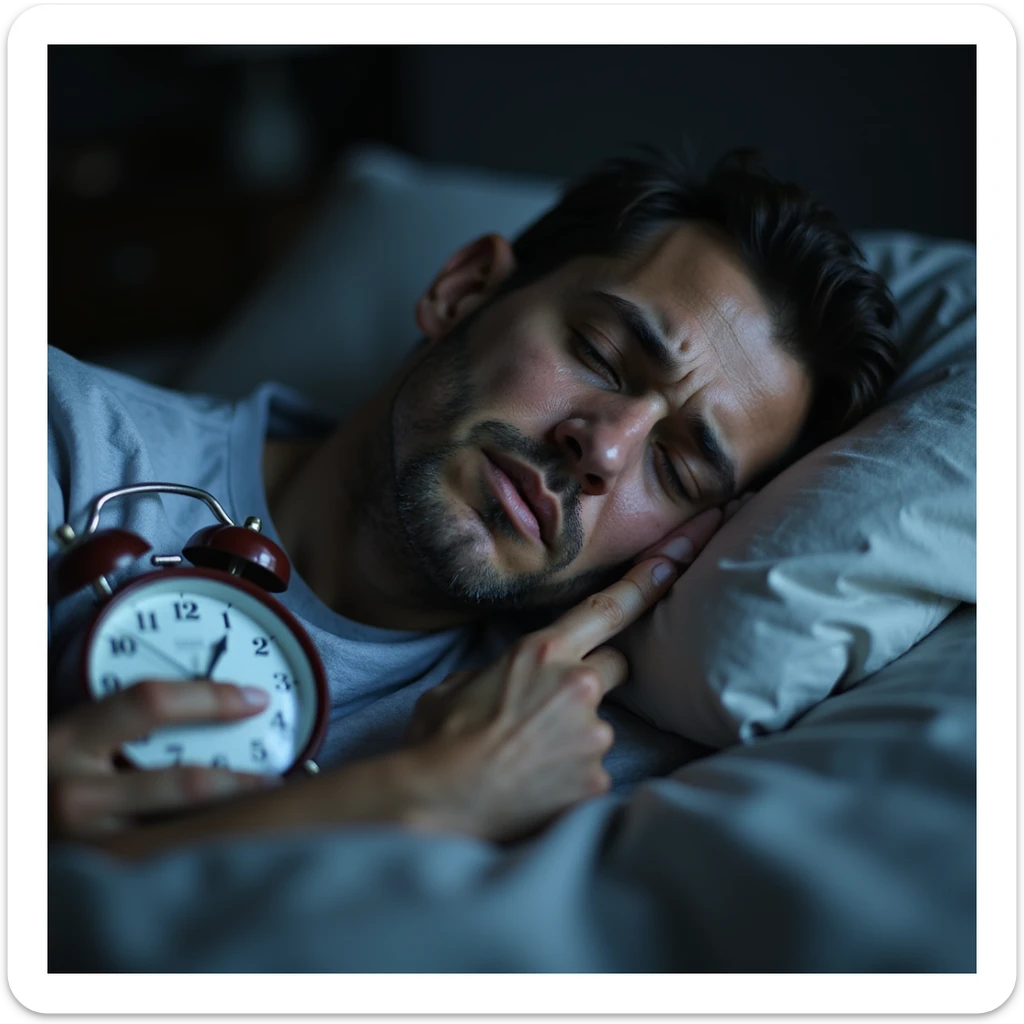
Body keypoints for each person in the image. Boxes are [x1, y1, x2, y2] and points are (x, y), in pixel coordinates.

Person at [47, 148, 900, 858]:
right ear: (464, 289)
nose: (602, 449)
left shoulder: (568, 764)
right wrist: (418, 797)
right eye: (602, 353)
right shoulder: (60, 435)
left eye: (676, 469)